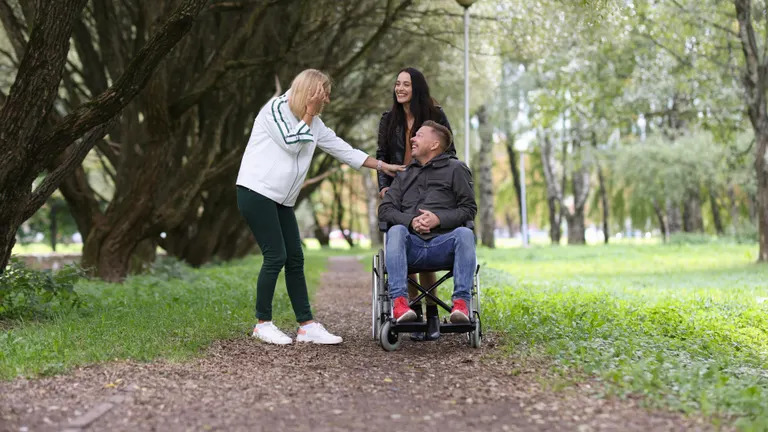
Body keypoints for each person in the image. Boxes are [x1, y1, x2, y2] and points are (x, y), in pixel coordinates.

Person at [236, 69, 404, 345]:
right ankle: (262, 323)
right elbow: (291, 143)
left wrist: (383, 166)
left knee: (295, 258)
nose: (327, 98)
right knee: (276, 256)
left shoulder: (314, 122)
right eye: (323, 92)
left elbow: (342, 149)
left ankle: (306, 325)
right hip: (256, 192)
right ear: (310, 91)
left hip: (281, 200)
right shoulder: (275, 109)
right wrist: (310, 113)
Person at [376, 67, 454, 341]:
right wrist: (384, 186)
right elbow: (382, 156)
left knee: (426, 247)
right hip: (400, 189)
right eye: (397, 83)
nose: (399, 88)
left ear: (416, 88)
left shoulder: (435, 115)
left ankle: (431, 314)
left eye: (405, 84)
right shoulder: (389, 120)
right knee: (403, 247)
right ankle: (415, 312)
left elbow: (449, 152)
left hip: (430, 188)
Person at [379, 121, 477, 325]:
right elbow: (385, 209)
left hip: (443, 245)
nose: (412, 139)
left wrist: (438, 219)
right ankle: (399, 303)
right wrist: (411, 221)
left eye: (419, 136)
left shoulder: (456, 169)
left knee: (465, 234)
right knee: (396, 230)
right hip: (410, 246)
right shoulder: (404, 174)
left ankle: (461, 303)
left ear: (434, 144)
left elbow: (469, 209)